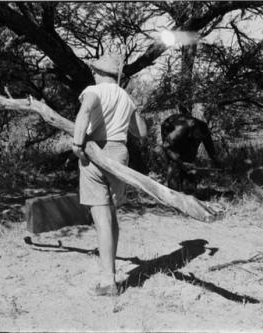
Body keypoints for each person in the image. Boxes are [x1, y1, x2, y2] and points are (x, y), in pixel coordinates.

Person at [72, 53, 147, 296]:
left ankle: (108, 281)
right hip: (120, 153)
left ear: (98, 72)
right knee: (112, 217)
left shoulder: (93, 90)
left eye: (94, 70)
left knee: (101, 219)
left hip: (96, 152)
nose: (93, 72)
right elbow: (142, 132)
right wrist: (128, 112)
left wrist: (76, 144)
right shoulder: (126, 96)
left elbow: (84, 113)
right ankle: (110, 274)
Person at [161, 114, 222, 194]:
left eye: (200, 138)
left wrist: (217, 163)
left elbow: (211, 150)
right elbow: (166, 146)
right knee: (174, 162)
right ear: (194, 129)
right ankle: (172, 190)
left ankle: (189, 189)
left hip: (187, 136)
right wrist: (181, 163)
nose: (198, 139)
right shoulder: (181, 129)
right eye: (197, 135)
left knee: (190, 159)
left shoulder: (205, 131)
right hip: (169, 128)